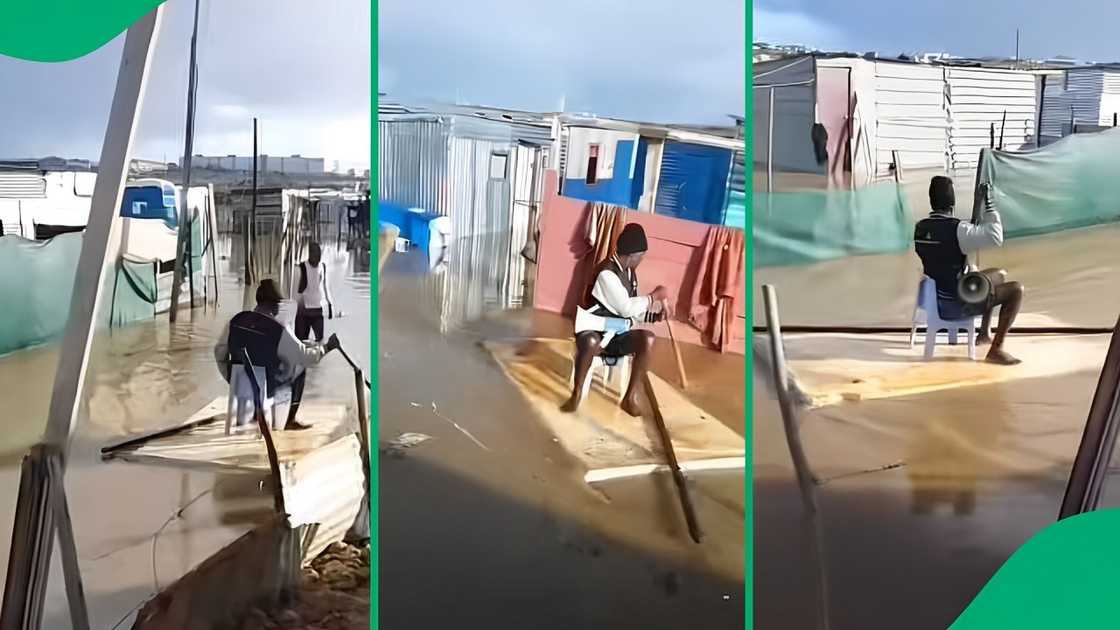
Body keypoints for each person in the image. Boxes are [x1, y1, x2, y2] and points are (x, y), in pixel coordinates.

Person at [561, 223, 670, 417]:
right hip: (594, 330)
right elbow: (625, 306)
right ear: (631, 255)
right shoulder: (606, 273)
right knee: (591, 341)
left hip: (617, 334)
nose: (642, 260)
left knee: (647, 339)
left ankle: (630, 398)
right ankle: (576, 394)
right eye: (641, 256)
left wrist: (653, 317)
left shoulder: (630, 274)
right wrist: (653, 297)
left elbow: (630, 313)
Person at [914, 176, 1025, 365]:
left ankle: (983, 334)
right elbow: (995, 236)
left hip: (935, 298)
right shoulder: (959, 229)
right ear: (953, 203)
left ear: (931, 201)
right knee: (1016, 290)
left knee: (999, 274)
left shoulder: (920, 228)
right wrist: (988, 203)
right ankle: (996, 349)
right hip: (958, 303)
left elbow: (949, 247)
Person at [214, 279, 333, 430]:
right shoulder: (279, 329)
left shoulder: (235, 321)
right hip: (267, 385)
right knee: (300, 367)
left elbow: (219, 352)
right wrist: (327, 347)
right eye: (279, 304)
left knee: (271, 363)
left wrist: (230, 377)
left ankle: (255, 414)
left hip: (241, 380)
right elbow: (307, 357)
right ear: (273, 304)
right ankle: (289, 420)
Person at [295, 242, 333, 344]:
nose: (318, 257)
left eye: (319, 254)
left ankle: (317, 358)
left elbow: (326, 287)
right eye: (315, 253)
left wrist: (330, 304)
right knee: (300, 341)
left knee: (320, 341)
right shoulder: (302, 267)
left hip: (317, 310)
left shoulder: (323, 267)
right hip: (303, 311)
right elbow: (296, 290)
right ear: (310, 254)